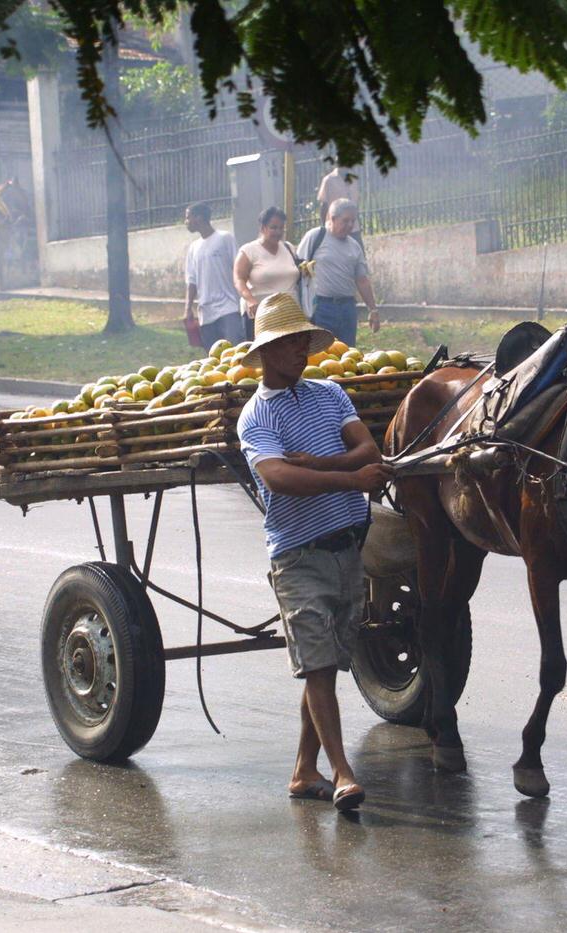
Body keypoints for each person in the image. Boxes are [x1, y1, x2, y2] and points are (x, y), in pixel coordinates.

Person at [236, 292, 394, 812]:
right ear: (266, 352)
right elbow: (279, 478)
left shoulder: (331, 393)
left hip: (348, 547)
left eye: (303, 339)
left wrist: (319, 464)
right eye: (289, 342)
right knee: (319, 667)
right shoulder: (256, 417)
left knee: (328, 662)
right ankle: (342, 773)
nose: (301, 349)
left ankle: (304, 772)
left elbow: (368, 449)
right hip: (299, 556)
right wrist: (346, 476)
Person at [296, 199, 379, 347]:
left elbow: (362, 280)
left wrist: (373, 309)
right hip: (321, 307)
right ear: (332, 218)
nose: (349, 225)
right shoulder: (315, 237)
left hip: (347, 308)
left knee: (348, 353)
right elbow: (298, 268)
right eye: (345, 221)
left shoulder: (354, 246)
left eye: (352, 221)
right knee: (321, 352)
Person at [233, 206, 300, 340]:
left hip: (289, 315)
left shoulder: (289, 248)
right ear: (263, 228)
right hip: (260, 316)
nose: (278, 232)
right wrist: (250, 300)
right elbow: (239, 279)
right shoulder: (248, 251)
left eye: (281, 228)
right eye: (273, 227)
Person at [183, 201, 242, 349]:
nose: (186, 222)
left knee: (234, 353)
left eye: (188, 217)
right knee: (213, 360)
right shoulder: (193, 248)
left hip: (228, 308)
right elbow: (192, 281)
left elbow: (239, 269)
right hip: (206, 313)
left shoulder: (225, 238)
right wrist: (188, 308)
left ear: (199, 218)